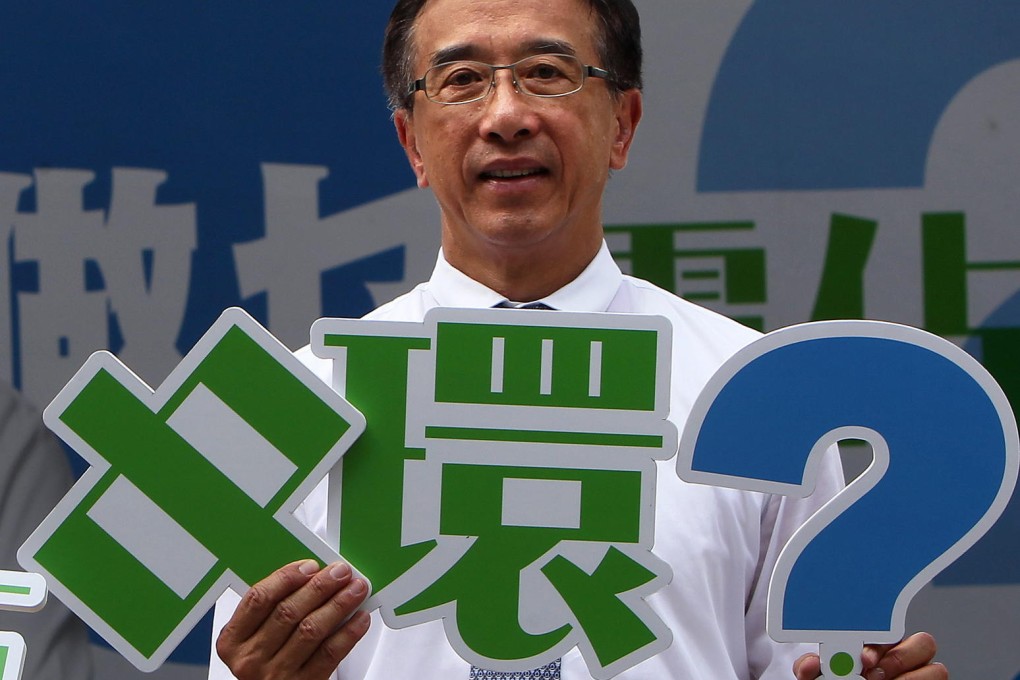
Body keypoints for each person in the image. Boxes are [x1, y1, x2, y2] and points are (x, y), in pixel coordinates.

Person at [210, 0, 947, 678]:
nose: (506, 115)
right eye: (462, 78)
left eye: (546, 73)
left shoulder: (754, 393)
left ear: (622, 125)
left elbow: (812, 662)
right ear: (412, 143)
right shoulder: (297, 408)